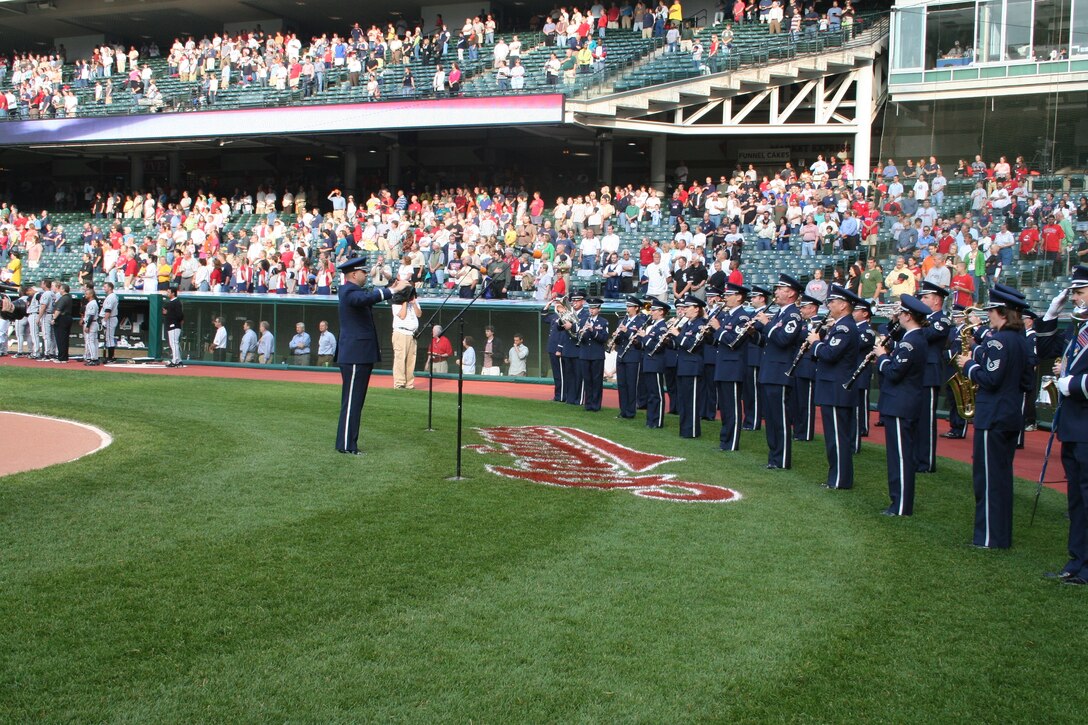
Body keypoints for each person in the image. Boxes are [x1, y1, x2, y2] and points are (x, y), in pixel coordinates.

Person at [956, 288, 1033, 549]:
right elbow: (1026, 382)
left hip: (994, 416)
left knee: (988, 479)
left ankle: (989, 537)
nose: (988, 315)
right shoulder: (1022, 340)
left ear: (1001, 312)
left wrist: (969, 365)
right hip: (1011, 413)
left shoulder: (999, 341)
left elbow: (990, 378)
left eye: (990, 310)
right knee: (1001, 477)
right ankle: (999, 535)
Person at [1039, 267, 1088, 583]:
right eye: (1074, 292)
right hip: (1074, 424)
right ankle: (1077, 561)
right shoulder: (1079, 330)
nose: (1075, 296)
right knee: (1077, 499)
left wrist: (1076, 383)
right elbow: (1043, 350)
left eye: (1081, 291)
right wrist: (1051, 314)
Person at [334, 256, 410, 455]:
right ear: (353, 274)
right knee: (351, 402)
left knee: (355, 402)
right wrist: (392, 290)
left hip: (359, 354)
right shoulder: (349, 291)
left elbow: (367, 297)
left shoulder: (353, 291)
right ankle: (347, 445)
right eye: (363, 272)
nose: (366, 275)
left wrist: (395, 286)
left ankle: (348, 443)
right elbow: (365, 299)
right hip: (355, 355)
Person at [873, 294, 931, 516]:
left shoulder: (910, 341)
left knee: (900, 457)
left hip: (901, 403)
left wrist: (882, 357)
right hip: (904, 402)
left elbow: (894, 373)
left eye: (901, 313)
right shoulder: (914, 338)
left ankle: (901, 505)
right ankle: (898, 503)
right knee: (900, 456)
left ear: (907, 315)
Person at [807, 285, 861, 489]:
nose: (829, 305)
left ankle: (840, 480)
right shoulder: (840, 326)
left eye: (832, 302)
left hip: (837, 389)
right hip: (833, 387)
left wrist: (816, 342)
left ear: (844, 305)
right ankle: (837, 477)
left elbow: (830, 354)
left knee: (838, 437)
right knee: (834, 436)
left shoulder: (845, 327)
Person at [754, 274, 804, 469]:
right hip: (770, 370)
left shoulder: (793, 315)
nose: (775, 292)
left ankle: (781, 459)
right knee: (772, 418)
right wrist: (753, 333)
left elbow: (784, 340)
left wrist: (767, 324)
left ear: (790, 292)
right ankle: (774, 457)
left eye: (779, 289)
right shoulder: (780, 314)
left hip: (780, 372)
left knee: (780, 419)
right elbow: (769, 342)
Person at [710, 282, 751, 451]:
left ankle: (732, 442)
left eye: (729, 295)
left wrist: (718, 329)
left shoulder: (742, 317)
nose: (725, 298)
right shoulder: (727, 316)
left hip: (733, 367)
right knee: (725, 407)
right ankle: (724, 440)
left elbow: (733, 341)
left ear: (739, 297)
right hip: (723, 366)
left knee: (733, 407)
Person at [915, 281, 951, 473]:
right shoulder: (922, 319)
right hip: (917, 372)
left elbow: (925, 335)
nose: (922, 300)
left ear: (937, 300)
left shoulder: (942, 320)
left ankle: (926, 461)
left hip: (929, 373)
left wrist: (913, 322)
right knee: (915, 417)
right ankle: (916, 457)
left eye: (926, 297)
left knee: (926, 420)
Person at [637, 298, 671, 429]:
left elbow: (657, 346)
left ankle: (657, 421)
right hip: (649, 362)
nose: (651, 312)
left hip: (656, 362)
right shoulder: (654, 326)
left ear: (661, 312)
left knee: (656, 394)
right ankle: (651, 419)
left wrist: (644, 337)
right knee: (650, 393)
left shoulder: (662, 327)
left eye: (654, 310)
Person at [614, 296, 648, 418]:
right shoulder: (622, 320)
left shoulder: (641, 321)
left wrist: (627, 331)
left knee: (631, 384)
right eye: (627, 306)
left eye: (630, 306)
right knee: (622, 385)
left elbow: (638, 340)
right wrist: (616, 336)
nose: (627, 309)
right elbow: (618, 341)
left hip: (633, 356)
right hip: (621, 355)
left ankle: (630, 411)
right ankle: (623, 410)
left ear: (637, 308)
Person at [742, 285, 770, 431]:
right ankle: (749, 419)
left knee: (753, 391)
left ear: (762, 298)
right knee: (748, 392)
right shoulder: (754, 314)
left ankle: (754, 421)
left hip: (756, 356)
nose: (752, 299)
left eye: (754, 297)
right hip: (748, 355)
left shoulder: (767, 314)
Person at [578, 298, 609, 411]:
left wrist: (592, 331)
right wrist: (581, 333)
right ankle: (588, 403)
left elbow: (604, 338)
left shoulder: (603, 322)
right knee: (587, 379)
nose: (591, 310)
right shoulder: (583, 321)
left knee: (596, 380)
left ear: (599, 309)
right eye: (590, 308)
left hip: (597, 355)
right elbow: (579, 338)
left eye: (594, 308)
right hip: (585, 354)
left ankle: (596, 405)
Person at [391, 286, 421, 388]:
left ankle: (409, 384)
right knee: (400, 359)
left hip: (412, 334)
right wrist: (404, 302)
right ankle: (399, 383)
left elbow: (419, 314)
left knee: (411, 360)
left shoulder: (414, 302)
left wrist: (413, 304)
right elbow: (402, 316)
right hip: (401, 332)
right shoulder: (396, 303)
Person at [161, 286, 183, 367]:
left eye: (169, 292)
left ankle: (175, 361)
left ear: (173, 293)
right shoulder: (171, 302)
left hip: (174, 325)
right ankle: (179, 360)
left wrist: (168, 313)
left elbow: (179, 315)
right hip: (172, 325)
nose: (167, 293)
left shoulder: (176, 302)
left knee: (174, 343)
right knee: (174, 343)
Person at [81, 286, 100, 366]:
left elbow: (91, 316)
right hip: (93, 323)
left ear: (91, 294)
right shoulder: (92, 303)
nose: (85, 295)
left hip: (92, 323)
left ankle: (93, 359)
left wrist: (87, 326)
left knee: (90, 342)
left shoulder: (92, 303)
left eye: (86, 294)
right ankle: (95, 358)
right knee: (93, 342)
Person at [100, 281, 119, 362]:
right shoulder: (112, 296)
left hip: (110, 318)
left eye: (105, 287)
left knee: (109, 338)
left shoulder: (111, 297)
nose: (104, 288)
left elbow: (108, 310)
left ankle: (111, 358)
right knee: (109, 338)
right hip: (111, 318)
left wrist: (104, 320)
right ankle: (111, 357)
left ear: (110, 288)